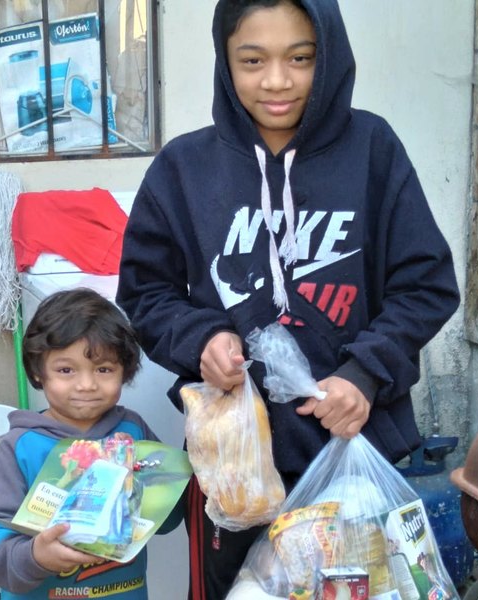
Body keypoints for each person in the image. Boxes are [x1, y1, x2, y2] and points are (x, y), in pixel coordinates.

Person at [115, 0, 460, 598]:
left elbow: (425, 283)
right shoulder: (184, 168)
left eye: (300, 58)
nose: (277, 80)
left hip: (354, 452)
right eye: (253, 60)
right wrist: (201, 340)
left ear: (328, 57)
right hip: (236, 467)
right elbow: (146, 290)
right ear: (225, 61)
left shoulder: (373, 149)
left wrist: (366, 373)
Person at [0, 288, 181, 599]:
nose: (86, 384)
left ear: (125, 371)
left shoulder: (133, 432)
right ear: (38, 372)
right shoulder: (22, 447)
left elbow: (167, 520)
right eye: (66, 370)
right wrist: (35, 556)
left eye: (104, 369)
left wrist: (171, 484)